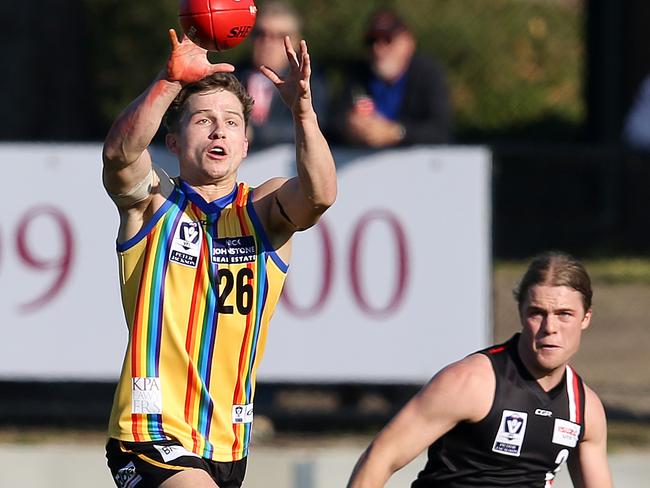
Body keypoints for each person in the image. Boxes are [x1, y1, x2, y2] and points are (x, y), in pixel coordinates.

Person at [101, 27, 336, 488]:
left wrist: (303, 113)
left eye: (231, 121)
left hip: (228, 442)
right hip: (150, 431)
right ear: (173, 142)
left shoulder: (263, 211)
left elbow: (320, 195)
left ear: (245, 144)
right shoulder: (153, 203)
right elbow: (119, 157)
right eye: (202, 119)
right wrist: (169, 81)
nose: (218, 130)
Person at [347, 251, 613, 488]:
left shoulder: (585, 409)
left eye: (564, 314)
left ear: (585, 318)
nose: (550, 327)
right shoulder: (472, 382)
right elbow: (381, 458)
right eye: (537, 313)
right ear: (521, 314)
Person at [330, 9, 451, 148]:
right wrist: (350, 128)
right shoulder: (357, 74)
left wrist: (396, 133)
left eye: (388, 39)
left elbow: (439, 131)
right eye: (372, 41)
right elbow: (334, 123)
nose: (378, 48)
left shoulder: (428, 74)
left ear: (408, 43)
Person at [236, 0, 329, 149]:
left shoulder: (310, 81)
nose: (267, 42)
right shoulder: (231, 76)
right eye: (260, 33)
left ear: (296, 40)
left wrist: (254, 132)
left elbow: (316, 126)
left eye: (279, 36)